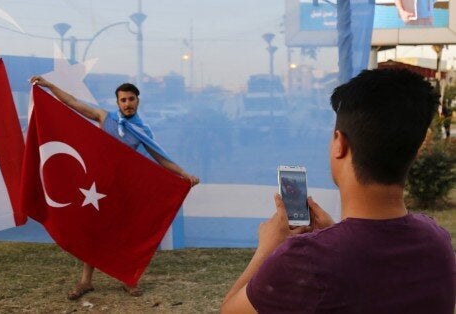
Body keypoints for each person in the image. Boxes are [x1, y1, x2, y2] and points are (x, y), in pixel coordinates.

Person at [221, 69, 455, 313]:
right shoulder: (438, 243)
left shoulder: (304, 259)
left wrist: (267, 247)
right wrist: (334, 234)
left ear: (339, 144)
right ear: (417, 152)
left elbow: (229, 311)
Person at [30, 76, 199, 300]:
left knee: (124, 234)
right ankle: (85, 282)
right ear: (117, 103)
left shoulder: (142, 130)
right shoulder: (104, 117)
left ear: (138, 101)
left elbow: (161, 158)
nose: (127, 103)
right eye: (123, 100)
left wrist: (183, 173)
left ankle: (128, 279)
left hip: (123, 189)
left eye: (131, 99)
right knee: (93, 232)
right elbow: (72, 102)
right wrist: (49, 86)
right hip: (97, 187)